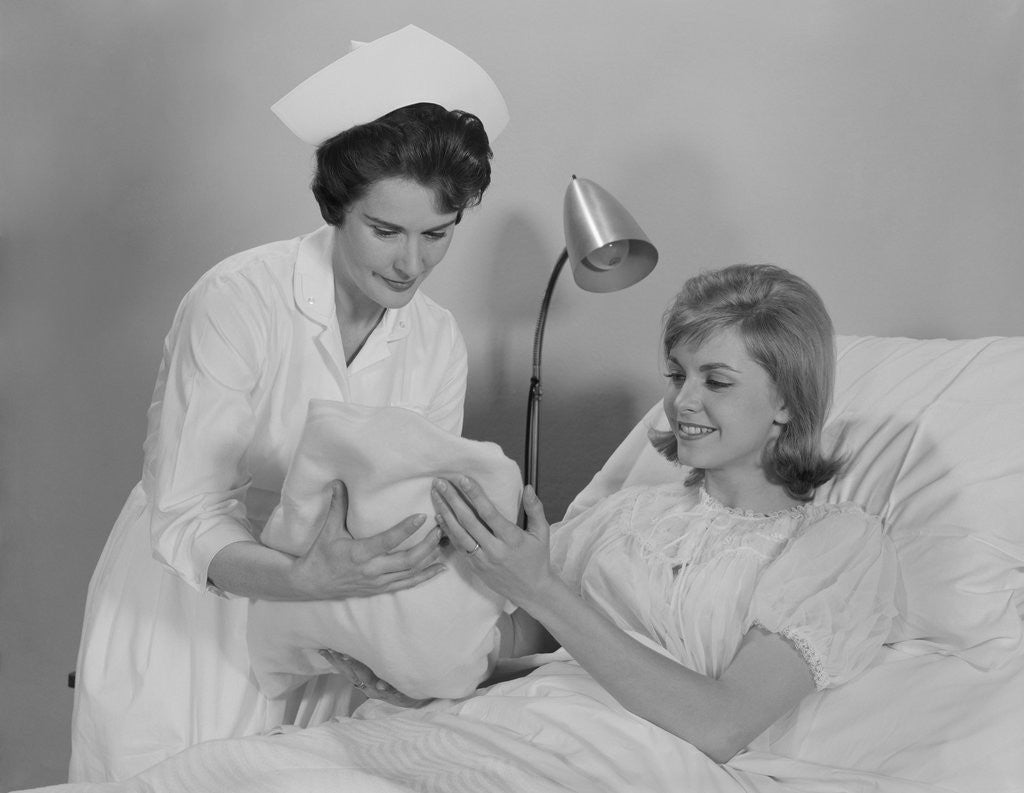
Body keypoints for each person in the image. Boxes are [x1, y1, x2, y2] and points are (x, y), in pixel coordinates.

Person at [40, 263, 899, 792]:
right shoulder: (626, 513)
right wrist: (405, 672)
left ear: (787, 398)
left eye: (717, 380)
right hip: (499, 730)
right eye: (677, 373)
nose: (682, 401)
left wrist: (545, 586)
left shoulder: (836, 546)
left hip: (626, 767)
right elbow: (513, 651)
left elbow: (719, 725)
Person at [68, 25, 509, 782]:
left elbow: (404, 513)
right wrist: (302, 582)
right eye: (385, 230)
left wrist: (384, 643)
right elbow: (184, 513)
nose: (413, 263)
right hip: (188, 614)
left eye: (439, 234)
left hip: (322, 631)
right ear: (338, 206)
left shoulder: (435, 341)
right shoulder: (238, 301)